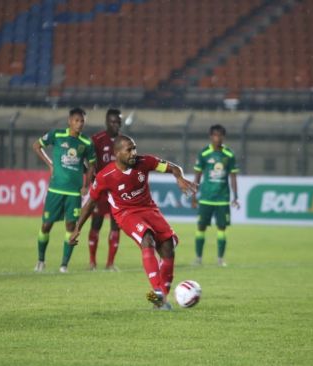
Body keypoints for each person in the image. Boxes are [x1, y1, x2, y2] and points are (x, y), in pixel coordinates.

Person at [69, 135, 198, 310]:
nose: (134, 153)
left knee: (168, 247)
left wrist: (179, 178)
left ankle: (159, 299)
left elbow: (174, 168)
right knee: (147, 239)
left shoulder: (145, 162)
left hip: (149, 209)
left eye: (135, 148)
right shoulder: (105, 176)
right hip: (125, 213)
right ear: (117, 153)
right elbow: (91, 202)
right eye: (129, 149)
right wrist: (78, 227)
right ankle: (157, 292)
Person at [33, 107, 96, 273]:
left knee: (70, 227)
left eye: (82, 121)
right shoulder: (57, 135)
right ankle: (40, 260)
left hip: (74, 193)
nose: (79, 124)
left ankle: (64, 265)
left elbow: (91, 167)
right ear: (69, 121)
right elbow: (36, 146)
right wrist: (50, 164)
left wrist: (86, 186)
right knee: (46, 225)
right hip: (55, 190)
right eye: (76, 120)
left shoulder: (87, 143)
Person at [191, 124, 239, 267]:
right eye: (215, 135)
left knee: (222, 228)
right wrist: (194, 196)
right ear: (211, 136)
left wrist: (235, 196)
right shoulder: (204, 153)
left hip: (223, 198)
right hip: (205, 197)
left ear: (223, 137)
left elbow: (233, 177)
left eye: (220, 135)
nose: (218, 138)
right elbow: (197, 176)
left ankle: (220, 259)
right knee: (201, 227)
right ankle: (198, 258)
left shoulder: (229, 154)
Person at [87, 109, 122, 271]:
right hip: (101, 190)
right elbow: (87, 160)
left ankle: (110, 263)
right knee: (96, 224)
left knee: (116, 226)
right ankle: (92, 262)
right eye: (112, 121)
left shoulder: (124, 142)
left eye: (118, 122)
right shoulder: (97, 140)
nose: (115, 125)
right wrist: (90, 178)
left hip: (118, 192)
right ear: (107, 122)